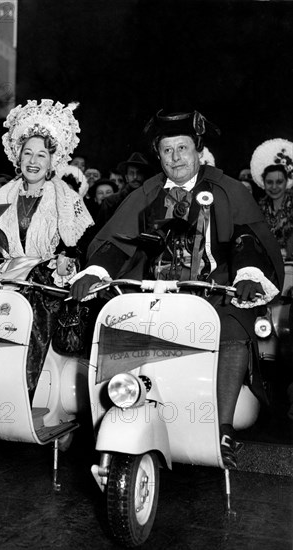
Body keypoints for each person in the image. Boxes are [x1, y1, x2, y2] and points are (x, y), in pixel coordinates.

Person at [69, 109, 284, 469]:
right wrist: (95, 270)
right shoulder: (147, 192)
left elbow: (247, 234)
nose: (176, 158)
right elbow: (119, 242)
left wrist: (247, 273)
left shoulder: (226, 189)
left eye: (182, 148)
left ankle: (223, 427)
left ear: (198, 150)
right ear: (159, 154)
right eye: (167, 151)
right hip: (155, 292)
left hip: (213, 291)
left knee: (233, 326)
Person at [0, 99, 93, 396]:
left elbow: (78, 245)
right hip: (3, 277)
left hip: (45, 286)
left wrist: (66, 260)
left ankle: (22, 393)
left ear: (52, 161)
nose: (33, 161)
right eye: (27, 153)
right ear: (18, 156)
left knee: (29, 325)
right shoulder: (3, 194)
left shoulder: (65, 197)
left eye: (41, 155)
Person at [250, 139, 293, 260]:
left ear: (286, 182)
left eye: (279, 182)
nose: (274, 187)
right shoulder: (257, 208)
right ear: (263, 183)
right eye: (269, 182)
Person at [96, 152, 154, 226]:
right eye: (131, 173)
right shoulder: (111, 202)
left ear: (145, 176)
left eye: (139, 173)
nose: (135, 177)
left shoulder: (152, 199)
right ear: (126, 177)